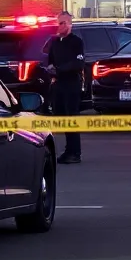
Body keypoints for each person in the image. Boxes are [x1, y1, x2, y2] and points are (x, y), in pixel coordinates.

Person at [45, 11, 85, 164]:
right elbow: (50, 60)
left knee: (71, 117)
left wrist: (60, 69)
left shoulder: (76, 42)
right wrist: (51, 69)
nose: (60, 26)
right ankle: (68, 150)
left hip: (72, 84)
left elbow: (78, 63)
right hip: (58, 84)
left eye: (63, 23)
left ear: (70, 24)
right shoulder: (55, 42)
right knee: (62, 116)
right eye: (59, 23)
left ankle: (75, 153)